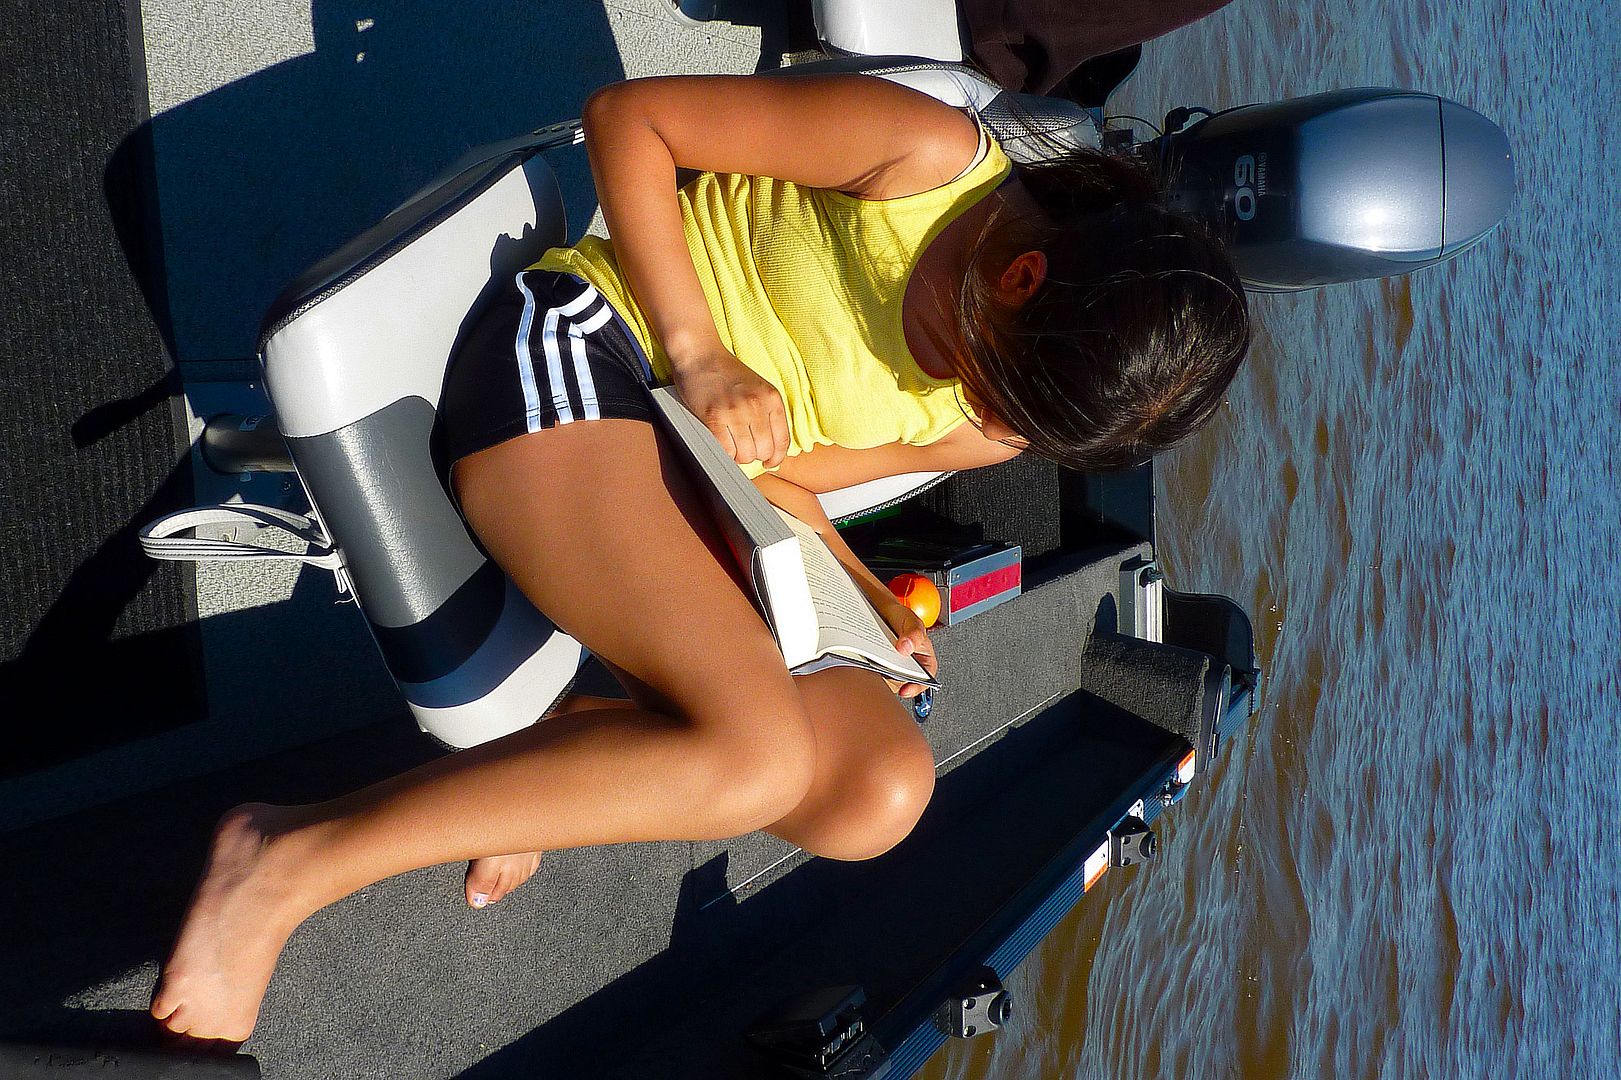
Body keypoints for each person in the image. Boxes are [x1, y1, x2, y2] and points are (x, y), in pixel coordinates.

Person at [149, 72, 1249, 1042]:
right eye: (998, 389)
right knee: (755, 759)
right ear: (1020, 278)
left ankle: (550, 764)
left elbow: (789, 481)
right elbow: (631, 119)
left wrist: (866, 596)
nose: (987, 421)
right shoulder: (923, 160)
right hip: (586, 350)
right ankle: (282, 863)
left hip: (691, 476)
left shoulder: (993, 424)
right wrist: (701, 352)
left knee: (874, 790)